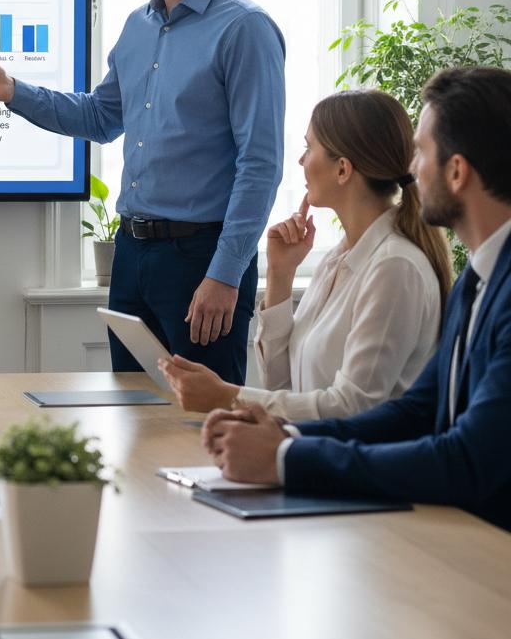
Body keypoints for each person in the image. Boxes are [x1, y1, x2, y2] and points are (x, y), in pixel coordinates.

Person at [0, 0, 285, 384]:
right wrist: (12, 90)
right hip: (133, 255)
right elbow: (100, 118)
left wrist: (225, 274)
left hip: (202, 261)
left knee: (202, 427)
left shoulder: (244, 29)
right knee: (132, 417)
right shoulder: (138, 27)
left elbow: (261, 164)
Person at [203, 66, 511, 532]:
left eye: (420, 153)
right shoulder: (479, 280)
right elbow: (413, 412)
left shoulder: (422, 270)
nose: (410, 170)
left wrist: (285, 456)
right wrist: (282, 435)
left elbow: (467, 457)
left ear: (456, 170)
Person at [159, 89, 451, 418]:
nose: (300, 160)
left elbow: (354, 408)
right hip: (314, 456)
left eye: (309, 147)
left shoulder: (395, 268)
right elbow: (282, 386)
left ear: (342, 170)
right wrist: (280, 275)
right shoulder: (338, 259)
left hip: (355, 466)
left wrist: (227, 396)